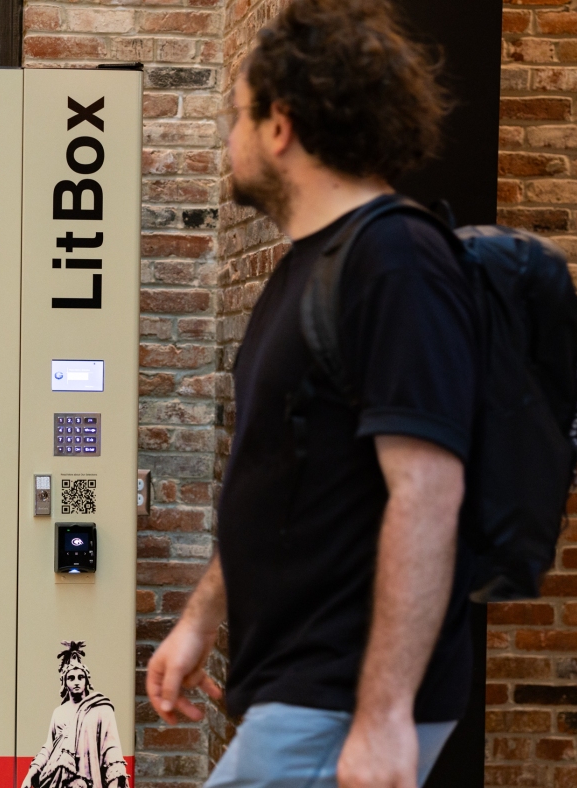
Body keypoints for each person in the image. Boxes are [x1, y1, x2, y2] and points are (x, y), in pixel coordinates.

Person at [144, 1, 475, 787]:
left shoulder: (395, 261)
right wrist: (201, 620)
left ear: (280, 125)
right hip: (305, 692)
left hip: (340, 697)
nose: (228, 141)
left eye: (237, 118)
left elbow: (427, 492)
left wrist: (385, 713)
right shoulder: (307, 268)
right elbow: (282, 481)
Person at [23, 642, 128, 788]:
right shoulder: (59, 712)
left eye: (81, 677)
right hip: (58, 779)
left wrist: (114, 781)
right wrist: (31, 773)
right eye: (71, 678)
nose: (76, 682)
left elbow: (111, 749)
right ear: (64, 683)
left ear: (87, 680)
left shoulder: (101, 709)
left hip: (87, 782)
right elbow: (48, 747)